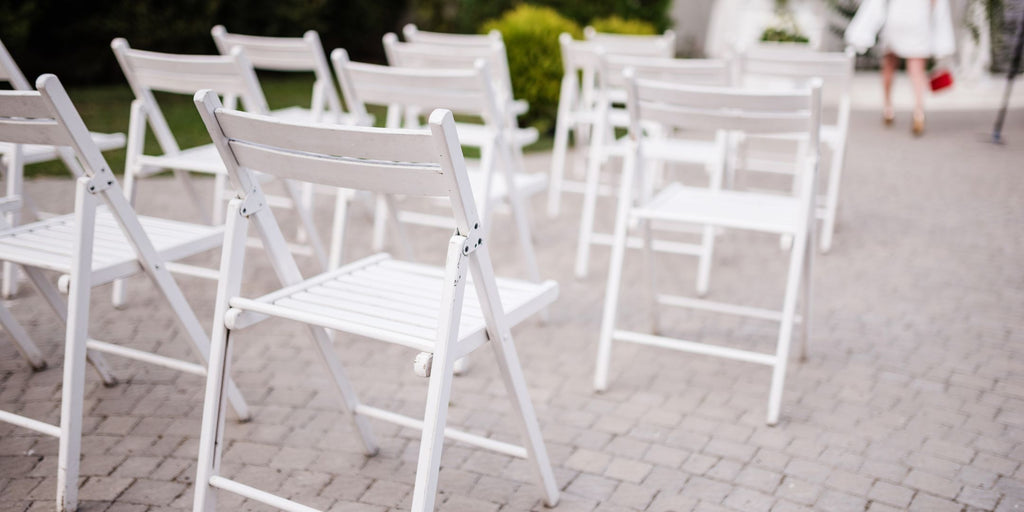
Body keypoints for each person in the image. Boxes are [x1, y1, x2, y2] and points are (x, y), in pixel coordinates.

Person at [846, 0, 956, 135]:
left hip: (896, 16)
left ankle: (888, 108)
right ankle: (918, 112)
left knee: (889, 64)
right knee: (916, 68)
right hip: (919, 17)